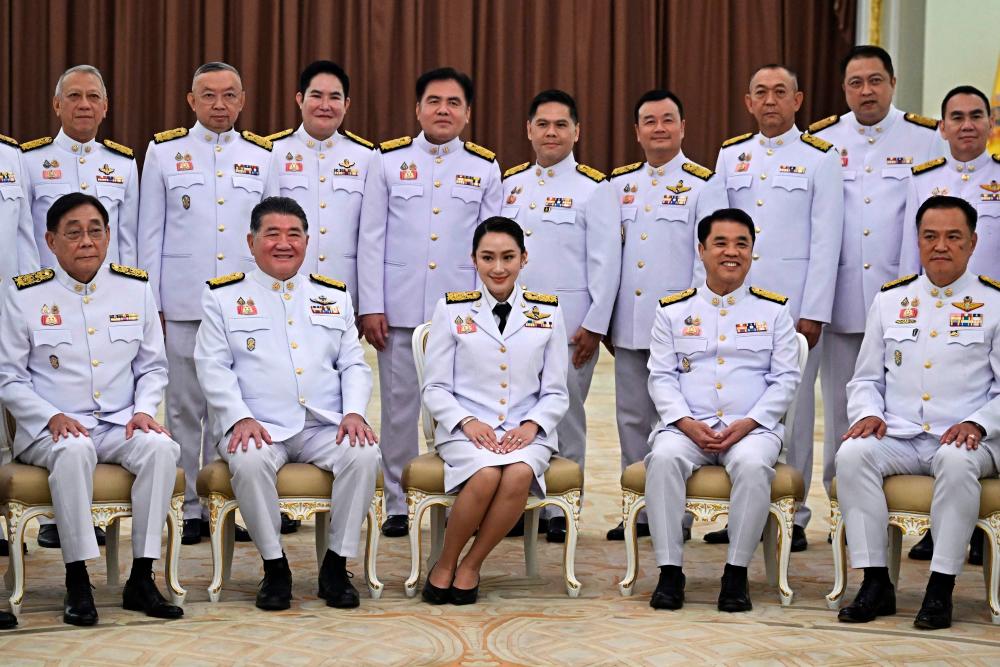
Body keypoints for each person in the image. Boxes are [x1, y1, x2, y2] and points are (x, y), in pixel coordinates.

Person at [0, 193, 183, 626]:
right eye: (74, 232)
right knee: (73, 449)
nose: (87, 241)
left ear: (107, 236)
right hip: (51, 429)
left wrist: (142, 409)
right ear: (51, 240)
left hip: (119, 421)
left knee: (161, 449)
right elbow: (8, 377)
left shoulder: (133, 287)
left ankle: (142, 576)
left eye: (95, 230)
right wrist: (50, 416)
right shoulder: (26, 295)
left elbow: (153, 366)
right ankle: (77, 578)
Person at [194, 196, 380, 611]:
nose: (284, 243)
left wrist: (353, 412)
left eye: (294, 234)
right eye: (272, 234)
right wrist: (238, 417)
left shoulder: (332, 295)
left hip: (321, 425)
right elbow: (212, 366)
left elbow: (353, 362)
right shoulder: (223, 297)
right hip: (256, 423)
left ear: (307, 241)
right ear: (251, 240)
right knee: (248, 461)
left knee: (364, 452)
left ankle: (336, 564)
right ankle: (275, 566)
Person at [836, 195, 999, 630]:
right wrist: (867, 412)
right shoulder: (892, 300)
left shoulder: (994, 302)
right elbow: (866, 378)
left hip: (971, 440)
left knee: (955, 459)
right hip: (903, 436)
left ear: (971, 242)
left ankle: (939, 588)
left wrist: (978, 423)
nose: (940, 246)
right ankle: (875, 582)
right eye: (930, 236)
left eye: (952, 237)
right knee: (852, 454)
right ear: (918, 241)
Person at [807, 45, 944, 550]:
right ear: (844, 89)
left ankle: (928, 516)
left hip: (909, 304)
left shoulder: (927, 137)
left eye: (876, 81)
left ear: (893, 82)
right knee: (844, 410)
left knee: (918, 408)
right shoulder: (822, 140)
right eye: (856, 82)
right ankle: (845, 512)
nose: (867, 91)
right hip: (841, 301)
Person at [137, 61, 279, 543]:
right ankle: (188, 507)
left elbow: (274, 235)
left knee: (235, 404)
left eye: (229, 95)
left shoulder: (262, 155)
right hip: (181, 298)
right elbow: (149, 232)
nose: (220, 105)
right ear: (191, 101)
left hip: (244, 306)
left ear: (242, 100)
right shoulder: (164, 150)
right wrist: (149, 302)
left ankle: (229, 503)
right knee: (181, 406)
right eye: (209, 96)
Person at [357, 67, 502, 537]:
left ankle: (462, 491)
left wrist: (487, 312)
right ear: (417, 109)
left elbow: (493, 245)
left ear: (467, 113)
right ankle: (399, 502)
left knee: (460, 406)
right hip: (397, 310)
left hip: (461, 313)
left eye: (453, 103)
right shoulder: (387, 161)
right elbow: (371, 238)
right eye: (434, 101)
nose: (443, 110)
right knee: (399, 409)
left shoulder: (484, 167)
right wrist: (372, 304)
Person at [711, 64, 844, 550]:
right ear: (748, 102)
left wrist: (814, 309)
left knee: (793, 411)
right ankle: (739, 512)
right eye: (761, 92)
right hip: (736, 303)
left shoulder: (820, 157)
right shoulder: (731, 155)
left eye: (780, 92)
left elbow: (828, 240)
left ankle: (794, 513)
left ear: (798, 99)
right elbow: (714, 231)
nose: (770, 101)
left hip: (792, 311)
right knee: (737, 404)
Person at [644, 208, 801, 612]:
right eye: (721, 243)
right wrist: (685, 422)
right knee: (662, 458)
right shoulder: (672, 310)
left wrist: (750, 423)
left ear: (752, 252)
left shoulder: (774, 311)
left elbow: (786, 379)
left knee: (752, 466)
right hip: (686, 427)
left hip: (751, 428)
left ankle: (736, 574)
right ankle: (669, 572)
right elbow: (660, 376)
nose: (731, 253)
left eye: (741, 244)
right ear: (701, 250)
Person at [420, 216, 569, 604]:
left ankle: (470, 565)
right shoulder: (451, 310)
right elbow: (435, 387)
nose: (498, 268)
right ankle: (444, 562)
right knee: (485, 474)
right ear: (474, 260)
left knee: (518, 473)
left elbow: (556, 391)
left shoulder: (548, 312)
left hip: (526, 432)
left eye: (508, 257)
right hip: (465, 429)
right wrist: (466, 422)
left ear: (524, 258)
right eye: (488, 257)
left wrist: (533, 425)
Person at [606, 89, 727, 541]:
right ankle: (637, 510)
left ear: (682, 128)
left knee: (677, 417)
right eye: (649, 121)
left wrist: (695, 317)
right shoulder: (619, 185)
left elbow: (707, 257)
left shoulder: (703, 183)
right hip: (631, 320)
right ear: (637, 132)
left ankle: (676, 514)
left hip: (682, 327)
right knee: (631, 417)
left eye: (667, 120)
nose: (659, 128)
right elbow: (612, 255)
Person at [500, 89, 620, 542]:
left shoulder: (594, 188)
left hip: (570, 329)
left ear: (576, 132)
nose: (552, 133)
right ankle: (519, 504)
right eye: (543, 124)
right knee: (516, 414)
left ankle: (562, 508)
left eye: (561, 125)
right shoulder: (511, 185)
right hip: (512, 326)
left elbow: (607, 264)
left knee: (565, 417)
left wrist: (594, 324)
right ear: (529, 130)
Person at [266, 60, 374, 304]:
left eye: (334, 98)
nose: (325, 106)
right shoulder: (273, 151)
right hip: (284, 287)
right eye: (316, 96)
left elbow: (371, 236)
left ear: (346, 105)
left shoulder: (366, 157)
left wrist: (367, 303)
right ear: (299, 99)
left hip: (344, 291)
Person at [20, 65, 139, 270]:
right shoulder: (28, 160)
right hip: (49, 291)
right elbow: (22, 236)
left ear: (105, 107)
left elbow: (128, 241)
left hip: (106, 291)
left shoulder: (124, 164)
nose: (84, 104)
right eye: (74, 95)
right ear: (57, 105)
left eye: (93, 96)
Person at [901, 86, 999, 277]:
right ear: (943, 128)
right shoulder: (922, 179)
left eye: (976, 116)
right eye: (957, 118)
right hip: (935, 302)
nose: (967, 125)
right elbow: (910, 256)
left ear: (991, 124)